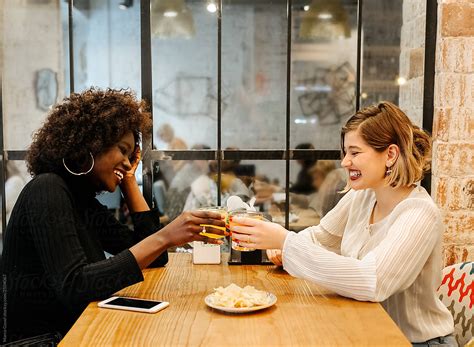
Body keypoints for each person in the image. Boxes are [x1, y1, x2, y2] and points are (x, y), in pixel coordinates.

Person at [0, 88, 225, 344]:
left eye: (131, 157)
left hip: (77, 332)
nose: (129, 163)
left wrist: (129, 181)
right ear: (90, 143)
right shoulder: (47, 188)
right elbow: (75, 286)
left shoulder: (81, 200)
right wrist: (165, 236)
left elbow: (154, 257)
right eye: (122, 149)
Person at [230, 102, 456, 346]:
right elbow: (321, 237)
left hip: (415, 341)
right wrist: (282, 248)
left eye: (355, 152)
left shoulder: (420, 214)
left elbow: (372, 281)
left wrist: (286, 242)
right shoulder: (363, 196)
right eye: (345, 152)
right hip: (366, 330)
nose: (345, 162)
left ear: (390, 155)